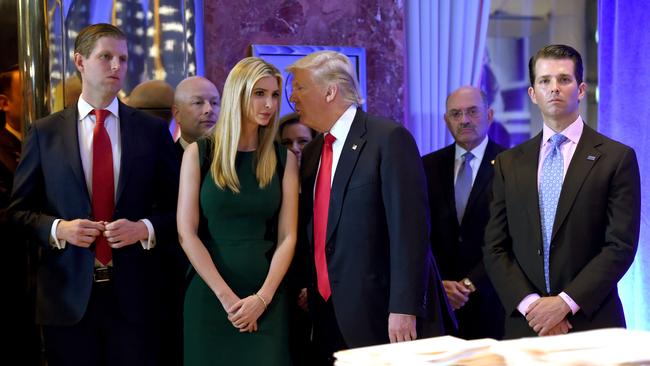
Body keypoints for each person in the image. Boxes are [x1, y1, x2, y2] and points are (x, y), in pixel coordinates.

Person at [8, 23, 180, 365]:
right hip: (67, 298)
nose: (117, 66)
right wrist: (60, 229)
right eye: (106, 57)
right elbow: (17, 213)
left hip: (136, 297)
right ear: (79, 61)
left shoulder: (151, 131)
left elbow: (180, 211)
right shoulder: (45, 133)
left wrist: (143, 228)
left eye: (123, 59)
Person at [288, 51, 455, 365]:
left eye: (299, 87)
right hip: (326, 314)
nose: (293, 97)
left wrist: (404, 308)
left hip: (382, 314)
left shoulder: (388, 139)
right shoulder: (311, 152)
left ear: (329, 91)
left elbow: (411, 231)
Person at [483, 44, 641, 339]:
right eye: (544, 81)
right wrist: (534, 307)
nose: (554, 88)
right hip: (527, 326)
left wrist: (564, 304)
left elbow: (620, 246)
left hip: (592, 324)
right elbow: (495, 246)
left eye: (564, 79)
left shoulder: (616, 158)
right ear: (533, 94)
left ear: (581, 89)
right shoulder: (509, 162)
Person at [177, 57, 298, 366]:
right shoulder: (199, 153)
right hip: (210, 296)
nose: (269, 104)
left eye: (274, 95)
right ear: (237, 93)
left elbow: (288, 236)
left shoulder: (283, 160)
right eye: (259, 93)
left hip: (267, 295)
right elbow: (186, 233)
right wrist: (227, 299)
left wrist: (262, 298)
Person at [422, 86, 505, 340]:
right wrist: (438, 284)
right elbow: (417, 233)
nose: (464, 120)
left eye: (472, 112)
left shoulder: (511, 164)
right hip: (438, 305)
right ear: (446, 120)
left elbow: (513, 236)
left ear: (489, 115)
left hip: (493, 302)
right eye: (455, 114)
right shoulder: (426, 166)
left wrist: (469, 284)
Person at [172, 76, 220, 161]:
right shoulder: (164, 163)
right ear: (177, 114)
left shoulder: (233, 159)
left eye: (214, 103)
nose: (209, 109)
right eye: (198, 102)